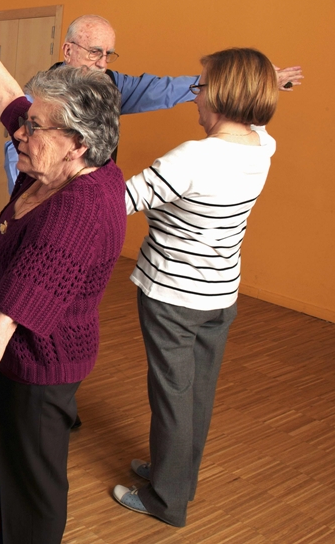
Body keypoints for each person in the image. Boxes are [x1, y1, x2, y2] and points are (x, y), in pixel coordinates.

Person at [0, 0, 127, 544]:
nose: (20, 132)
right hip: (33, 353)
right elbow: (9, 100)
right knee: (25, 464)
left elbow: (4, 321)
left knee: (37, 474)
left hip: (43, 363)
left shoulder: (75, 215)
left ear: (77, 142)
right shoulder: (55, 158)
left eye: (34, 127)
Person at [112, 48, 279, 527]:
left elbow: (120, 201)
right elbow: (259, 123)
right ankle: (176, 473)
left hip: (172, 299)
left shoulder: (193, 158)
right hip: (219, 295)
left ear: (224, 95)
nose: (195, 97)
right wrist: (268, 80)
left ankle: (166, 499)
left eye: (201, 87)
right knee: (195, 394)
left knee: (171, 396)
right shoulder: (262, 148)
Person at [2, 14, 303, 192]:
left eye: (109, 54)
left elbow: (168, 89)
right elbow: (16, 156)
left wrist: (240, 82)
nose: (102, 63)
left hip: (90, 199)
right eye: (95, 52)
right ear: (68, 50)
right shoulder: (38, 98)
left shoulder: (114, 87)